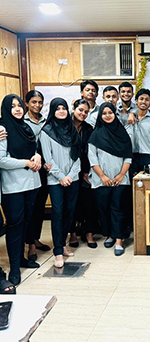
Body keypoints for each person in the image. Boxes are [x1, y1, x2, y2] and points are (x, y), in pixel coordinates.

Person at [0, 94, 42, 288]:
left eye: (19, 105)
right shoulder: (3, 129)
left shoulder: (25, 127)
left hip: (31, 183)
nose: (17, 109)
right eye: (13, 106)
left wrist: (37, 156)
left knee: (26, 222)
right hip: (13, 186)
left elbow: (33, 148)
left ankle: (22, 259)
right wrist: (26, 162)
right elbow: (2, 160)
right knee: (15, 226)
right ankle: (15, 268)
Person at [40, 98, 81, 268]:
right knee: (57, 213)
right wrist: (61, 177)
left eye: (64, 108)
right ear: (53, 111)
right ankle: (57, 251)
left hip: (73, 179)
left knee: (69, 213)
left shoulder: (72, 130)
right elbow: (48, 159)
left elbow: (78, 156)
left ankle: (63, 244)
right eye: (58, 108)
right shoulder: (46, 131)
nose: (62, 111)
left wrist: (70, 175)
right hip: (55, 180)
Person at [88, 103, 132, 256]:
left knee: (117, 208)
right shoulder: (95, 135)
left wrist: (121, 175)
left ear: (115, 114)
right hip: (101, 179)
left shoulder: (122, 133)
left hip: (120, 179)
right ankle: (110, 235)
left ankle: (119, 240)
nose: (107, 115)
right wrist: (102, 176)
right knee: (104, 208)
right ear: (100, 116)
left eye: (110, 112)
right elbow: (92, 158)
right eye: (104, 113)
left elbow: (128, 156)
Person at [24, 90, 51, 261]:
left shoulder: (46, 121)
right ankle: (30, 245)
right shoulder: (21, 122)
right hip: (29, 168)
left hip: (45, 169)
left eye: (40, 102)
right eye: (34, 102)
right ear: (27, 103)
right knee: (30, 207)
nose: (37, 105)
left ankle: (36, 239)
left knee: (40, 206)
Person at [69, 99, 97, 248]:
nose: (83, 114)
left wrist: (87, 171)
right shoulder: (65, 125)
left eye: (86, 112)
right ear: (73, 109)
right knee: (72, 203)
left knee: (88, 202)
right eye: (80, 110)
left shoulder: (88, 128)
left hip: (85, 170)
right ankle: (73, 233)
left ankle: (89, 233)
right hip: (68, 171)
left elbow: (90, 152)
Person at [131, 89, 150, 174]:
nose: (144, 102)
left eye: (147, 100)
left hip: (148, 156)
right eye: (141, 99)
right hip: (131, 155)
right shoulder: (130, 118)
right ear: (136, 101)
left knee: (148, 180)